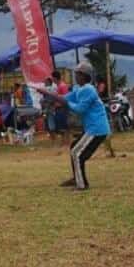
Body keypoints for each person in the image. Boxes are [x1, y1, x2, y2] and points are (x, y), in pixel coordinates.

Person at [41, 62, 110, 190]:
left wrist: (66, 103)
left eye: (78, 74)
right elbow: (65, 97)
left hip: (97, 129)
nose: (75, 76)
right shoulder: (79, 89)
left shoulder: (88, 89)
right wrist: (48, 93)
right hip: (93, 128)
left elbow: (80, 109)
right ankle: (77, 177)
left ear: (84, 76)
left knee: (76, 153)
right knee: (74, 147)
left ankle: (82, 185)